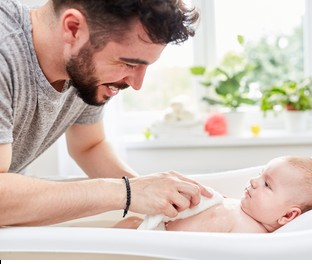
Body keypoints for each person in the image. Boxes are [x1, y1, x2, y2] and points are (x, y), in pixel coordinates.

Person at [0, 0, 212, 227]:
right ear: (73, 28)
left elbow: (89, 146)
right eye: (128, 64)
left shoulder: (83, 66)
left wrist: (155, 198)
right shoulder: (5, 52)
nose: (137, 83)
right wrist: (127, 192)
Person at [114, 156, 312, 233]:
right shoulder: (247, 211)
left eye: (267, 185)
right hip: (159, 227)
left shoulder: (252, 236)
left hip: (160, 241)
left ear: (288, 216)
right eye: (260, 175)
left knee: (126, 228)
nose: (254, 182)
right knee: (128, 223)